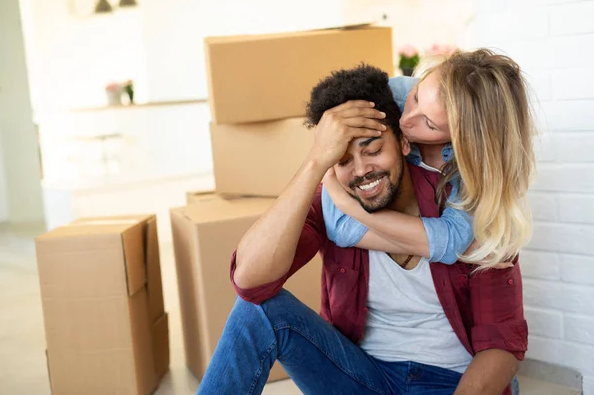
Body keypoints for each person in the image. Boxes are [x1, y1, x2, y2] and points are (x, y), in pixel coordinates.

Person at [197, 64, 527, 395]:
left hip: (448, 382)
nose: (361, 172)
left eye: (373, 151)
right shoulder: (335, 199)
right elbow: (250, 282)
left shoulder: (468, 202)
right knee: (258, 312)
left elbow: (501, 345)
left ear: (403, 142)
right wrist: (315, 162)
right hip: (361, 378)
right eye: (341, 160)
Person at [322, 49, 536, 271]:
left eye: (430, 124)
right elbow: (340, 226)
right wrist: (445, 249)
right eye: (416, 98)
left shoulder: (475, 164)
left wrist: (349, 205)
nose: (406, 119)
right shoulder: (393, 94)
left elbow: (452, 239)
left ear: (464, 139)